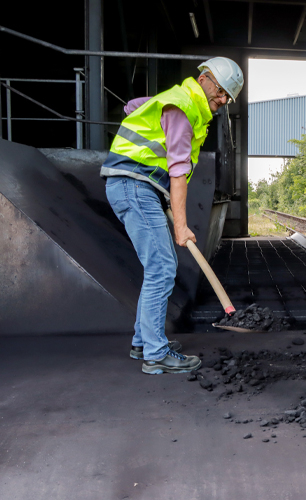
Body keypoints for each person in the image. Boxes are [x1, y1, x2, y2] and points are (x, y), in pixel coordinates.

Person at [101, 57, 244, 374]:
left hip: (137, 186)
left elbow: (131, 107)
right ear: (205, 78)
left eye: (227, 98)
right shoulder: (183, 109)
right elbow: (178, 173)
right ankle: (155, 353)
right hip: (135, 185)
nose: (222, 101)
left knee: (157, 266)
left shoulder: (177, 101)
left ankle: (143, 343)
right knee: (163, 267)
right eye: (220, 92)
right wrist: (181, 226)